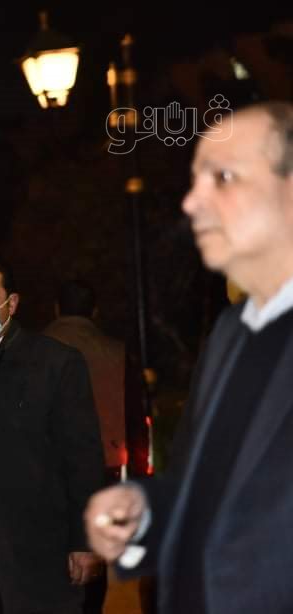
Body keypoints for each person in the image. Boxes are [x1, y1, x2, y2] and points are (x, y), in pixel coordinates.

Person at [85, 102, 293, 614]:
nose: (193, 202)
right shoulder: (231, 332)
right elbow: (206, 486)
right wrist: (145, 513)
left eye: (223, 178)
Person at [0, 254, 106, 614]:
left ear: (11, 304)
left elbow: (82, 458)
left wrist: (85, 540)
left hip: (35, 556)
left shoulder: (55, 363)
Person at [44, 279, 127, 614]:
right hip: (107, 467)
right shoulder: (117, 352)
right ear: (95, 311)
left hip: (48, 470)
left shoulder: (36, 350)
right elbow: (135, 418)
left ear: (56, 309)